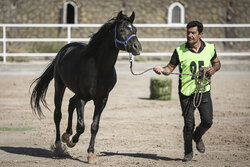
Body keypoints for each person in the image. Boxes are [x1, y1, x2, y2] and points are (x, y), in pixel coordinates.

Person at [153, 21, 221, 161]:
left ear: (200, 34)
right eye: (188, 32)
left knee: (208, 121)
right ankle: (188, 152)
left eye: (193, 33)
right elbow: (170, 68)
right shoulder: (179, 50)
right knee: (189, 124)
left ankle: (197, 136)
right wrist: (162, 70)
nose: (189, 35)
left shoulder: (209, 48)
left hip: (203, 90)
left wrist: (213, 69)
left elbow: (217, 63)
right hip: (186, 92)